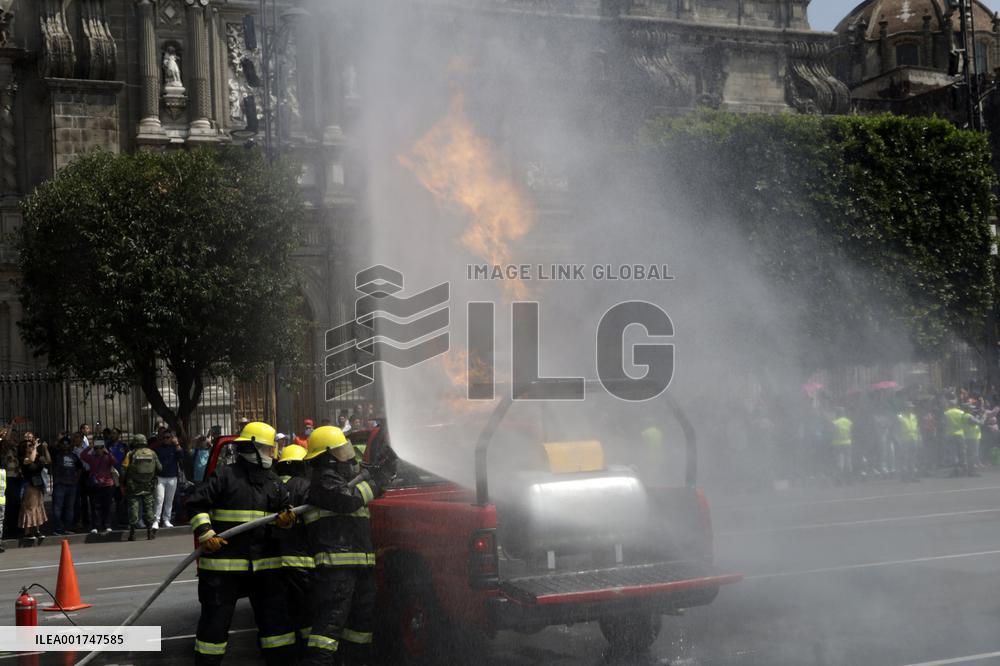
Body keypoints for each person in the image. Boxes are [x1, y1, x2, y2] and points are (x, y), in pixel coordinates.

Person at [187, 422, 296, 665]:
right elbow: (196, 503)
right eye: (269, 449)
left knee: (277, 629)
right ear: (255, 449)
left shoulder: (273, 481)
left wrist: (287, 521)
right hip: (224, 568)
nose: (273, 454)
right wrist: (206, 533)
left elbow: (283, 514)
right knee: (213, 631)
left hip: (265, 567)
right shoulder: (226, 476)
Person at [301, 425, 395, 665]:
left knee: (359, 629)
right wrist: (376, 484)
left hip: (360, 566)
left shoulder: (345, 479)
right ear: (326, 456)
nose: (347, 454)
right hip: (336, 569)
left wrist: (382, 470)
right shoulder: (322, 480)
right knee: (327, 631)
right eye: (340, 450)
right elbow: (348, 500)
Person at [274, 443, 313, 653]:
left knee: (278, 610)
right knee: (304, 609)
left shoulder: (270, 485)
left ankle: (283, 652)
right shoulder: (305, 486)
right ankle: (305, 649)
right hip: (300, 561)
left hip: (271, 562)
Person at [122, 434, 162, 541]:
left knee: (134, 508)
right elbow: (160, 468)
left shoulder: (130, 454)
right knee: (149, 507)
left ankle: (133, 534)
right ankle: (150, 533)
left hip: (134, 486)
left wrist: (124, 481)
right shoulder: (152, 453)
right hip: (148, 485)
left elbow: (124, 470)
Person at [80, 440, 117, 534]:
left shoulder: (107, 457)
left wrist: (108, 452)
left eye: (100, 448)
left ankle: (107, 525)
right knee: (94, 506)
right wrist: (89, 447)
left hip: (107, 484)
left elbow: (114, 461)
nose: (98, 450)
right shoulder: (92, 458)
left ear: (103, 448)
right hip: (95, 485)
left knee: (107, 506)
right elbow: (82, 455)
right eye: (96, 448)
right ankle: (95, 526)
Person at [18, 438, 50, 545]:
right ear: (23, 449)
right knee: (29, 509)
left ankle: (37, 530)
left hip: (38, 486)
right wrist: (35, 448)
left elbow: (48, 460)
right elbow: (30, 460)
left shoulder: (36, 458)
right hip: (29, 487)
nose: (30, 447)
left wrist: (45, 449)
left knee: (38, 508)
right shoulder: (24, 459)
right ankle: (27, 532)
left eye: (31, 445)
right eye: (27, 446)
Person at [51, 436, 82, 535]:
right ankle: (58, 529)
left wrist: (77, 478)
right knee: (57, 507)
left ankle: (67, 528)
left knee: (69, 508)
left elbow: (80, 467)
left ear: (70, 445)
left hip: (72, 485)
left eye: (67, 444)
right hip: (59, 484)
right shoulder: (56, 455)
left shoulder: (74, 456)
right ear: (60, 445)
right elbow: (50, 448)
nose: (65, 445)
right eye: (63, 444)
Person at [153, 431, 183, 528]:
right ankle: (156, 520)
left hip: (172, 477)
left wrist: (177, 443)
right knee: (159, 499)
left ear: (171, 438)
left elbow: (181, 456)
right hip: (160, 477)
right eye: (164, 437)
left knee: (169, 500)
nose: (166, 439)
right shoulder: (158, 449)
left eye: (168, 437)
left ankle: (166, 519)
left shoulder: (174, 448)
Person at [894, 402, 920, 482]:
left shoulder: (914, 416)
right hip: (904, 439)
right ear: (905, 408)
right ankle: (904, 476)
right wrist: (898, 439)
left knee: (913, 458)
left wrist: (918, 437)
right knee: (905, 458)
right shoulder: (900, 417)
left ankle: (912, 475)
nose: (910, 409)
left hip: (913, 438)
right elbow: (896, 428)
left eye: (911, 407)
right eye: (908, 407)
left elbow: (917, 428)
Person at [944, 401, 971, 477]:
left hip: (950, 434)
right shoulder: (961, 412)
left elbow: (944, 423)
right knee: (962, 451)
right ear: (955, 405)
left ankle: (955, 470)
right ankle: (965, 470)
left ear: (950, 405)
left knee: (954, 452)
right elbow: (965, 421)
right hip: (960, 433)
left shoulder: (946, 413)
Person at [830, 407, 853, 485]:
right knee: (848, 461)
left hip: (837, 444)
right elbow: (851, 432)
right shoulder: (848, 422)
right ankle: (849, 479)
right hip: (847, 443)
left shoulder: (835, 422)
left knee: (840, 462)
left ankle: (839, 479)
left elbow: (832, 433)